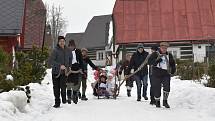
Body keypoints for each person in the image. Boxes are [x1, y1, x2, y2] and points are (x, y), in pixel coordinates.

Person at [148, 42, 176, 108]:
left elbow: (172, 63)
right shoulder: (155, 54)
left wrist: (173, 69)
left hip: (166, 73)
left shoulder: (169, 55)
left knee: (167, 87)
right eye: (163, 48)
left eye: (165, 48)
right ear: (160, 47)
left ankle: (165, 101)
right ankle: (157, 101)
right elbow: (149, 62)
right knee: (157, 88)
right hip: (156, 74)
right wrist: (157, 61)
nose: (164, 49)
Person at [49, 36, 69, 108]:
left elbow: (69, 60)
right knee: (56, 88)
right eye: (60, 41)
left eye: (63, 41)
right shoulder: (55, 50)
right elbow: (51, 61)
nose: (62, 42)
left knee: (63, 87)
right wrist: (60, 65)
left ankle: (64, 98)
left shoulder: (67, 50)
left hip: (64, 72)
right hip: (56, 72)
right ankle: (57, 102)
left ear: (65, 42)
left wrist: (68, 66)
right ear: (58, 42)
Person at [66, 40, 84, 104]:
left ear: (74, 46)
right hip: (69, 67)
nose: (71, 47)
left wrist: (81, 68)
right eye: (70, 46)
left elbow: (81, 61)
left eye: (72, 46)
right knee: (68, 83)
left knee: (75, 83)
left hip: (76, 67)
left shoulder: (78, 51)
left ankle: (74, 97)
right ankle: (68, 97)